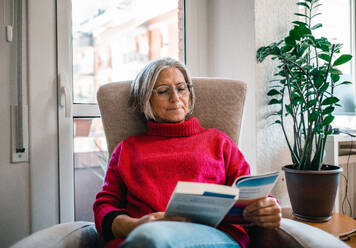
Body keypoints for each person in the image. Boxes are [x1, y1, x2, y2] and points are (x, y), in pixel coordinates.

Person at [93, 58, 281, 248]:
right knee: (150, 239)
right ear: (146, 99)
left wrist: (266, 207)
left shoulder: (219, 142)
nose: (175, 98)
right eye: (163, 91)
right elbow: (104, 207)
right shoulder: (127, 149)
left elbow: (249, 191)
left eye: (181, 88)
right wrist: (135, 225)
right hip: (143, 237)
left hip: (213, 236)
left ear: (190, 94)